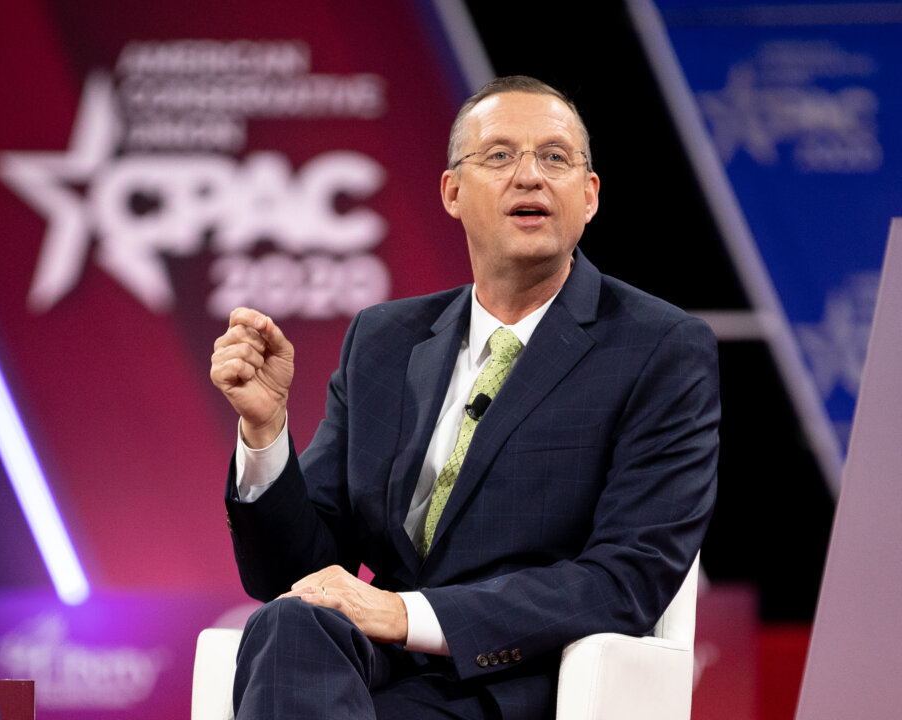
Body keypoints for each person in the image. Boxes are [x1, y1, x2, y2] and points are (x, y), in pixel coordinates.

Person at [209, 75, 719, 720]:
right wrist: (264, 432)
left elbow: (628, 578)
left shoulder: (659, 347)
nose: (530, 176)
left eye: (555, 157)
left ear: (589, 197)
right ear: (453, 192)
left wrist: (404, 612)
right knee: (288, 624)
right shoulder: (384, 338)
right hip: (372, 669)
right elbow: (294, 569)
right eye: (500, 155)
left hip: (515, 679)